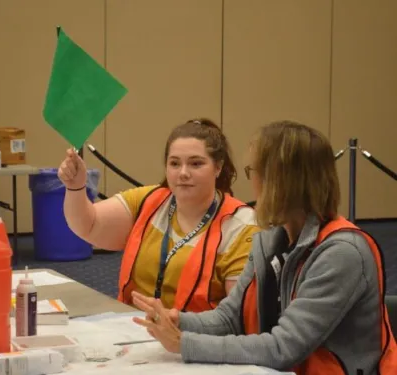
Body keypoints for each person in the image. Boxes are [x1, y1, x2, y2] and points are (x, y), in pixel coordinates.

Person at [131, 120, 397, 374]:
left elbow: (284, 348)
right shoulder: (270, 239)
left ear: (282, 181)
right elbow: (229, 318)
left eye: (254, 172)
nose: (252, 182)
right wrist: (176, 319)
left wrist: (183, 344)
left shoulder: (342, 253)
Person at [58, 118, 259, 312]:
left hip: (193, 339)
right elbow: (87, 225)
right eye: (174, 164)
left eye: (196, 164)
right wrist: (76, 188)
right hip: (131, 330)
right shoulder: (149, 200)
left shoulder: (240, 225)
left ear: (218, 167)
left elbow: (238, 317)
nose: (183, 173)